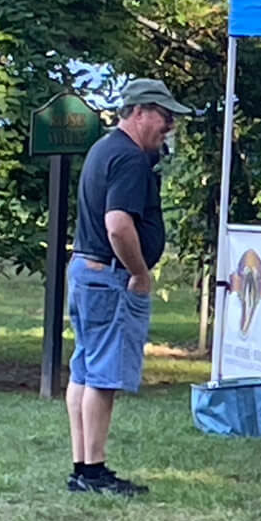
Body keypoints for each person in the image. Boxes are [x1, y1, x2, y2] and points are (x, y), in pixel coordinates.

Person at [65, 78, 190, 495]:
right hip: (109, 278)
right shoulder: (131, 159)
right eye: (164, 116)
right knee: (102, 375)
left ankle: (82, 466)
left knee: (83, 368)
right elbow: (118, 226)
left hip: (85, 269)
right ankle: (96, 472)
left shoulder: (103, 149)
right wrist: (138, 272)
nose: (169, 125)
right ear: (138, 112)